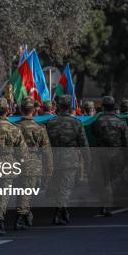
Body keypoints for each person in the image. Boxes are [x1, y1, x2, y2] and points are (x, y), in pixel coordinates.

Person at [0, 98, 28, 236]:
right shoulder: (14, 128)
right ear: (7, 111)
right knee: (3, 195)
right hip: (8, 163)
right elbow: (22, 151)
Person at [45, 95, 90, 225]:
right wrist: (88, 161)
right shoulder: (76, 123)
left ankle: (62, 210)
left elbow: (46, 143)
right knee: (65, 187)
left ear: (58, 106)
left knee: (57, 186)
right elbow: (83, 144)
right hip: (69, 159)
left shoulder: (51, 123)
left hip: (54, 158)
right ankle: (60, 211)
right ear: (70, 107)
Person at [15, 97, 53, 229]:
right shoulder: (40, 128)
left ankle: (25, 214)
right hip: (33, 163)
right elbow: (47, 151)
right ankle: (21, 216)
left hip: (16, 162)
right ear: (33, 110)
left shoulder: (14, 127)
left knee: (21, 190)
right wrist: (49, 169)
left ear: (21, 109)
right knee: (26, 191)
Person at [91, 96, 128, 216]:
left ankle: (105, 202)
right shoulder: (121, 121)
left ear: (103, 106)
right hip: (116, 155)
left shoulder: (97, 121)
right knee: (111, 180)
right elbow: (127, 142)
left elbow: (93, 133)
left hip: (101, 154)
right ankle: (108, 202)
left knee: (104, 180)